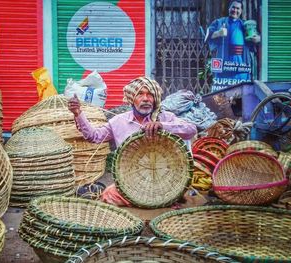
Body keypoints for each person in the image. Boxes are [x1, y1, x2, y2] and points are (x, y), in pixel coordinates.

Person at [68, 76, 197, 206]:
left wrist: (163, 125)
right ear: (131, 99)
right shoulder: (119, 121)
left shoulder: (165, 117)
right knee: (109, 194)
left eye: (150, 95)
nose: (146, 98)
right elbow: (94, 136)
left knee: (183, 195)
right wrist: (78, 113)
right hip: (133, 183)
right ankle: (149, 205)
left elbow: (191, 130)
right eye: (140, 94)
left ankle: (158, 203)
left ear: (155, 99)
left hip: (165, 181)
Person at [206, 0, 260, 83]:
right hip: (224, 67)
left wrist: (257, 39)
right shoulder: (219, 22)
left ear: (241, 11)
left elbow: (257, 38)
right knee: (223, 94)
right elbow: (207, 35)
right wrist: (218, 33)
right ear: (229, 8)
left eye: (238, 8)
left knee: (241, 92)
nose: (235, 10)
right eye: (233, 7)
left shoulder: (245, 25)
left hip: (241, 67)